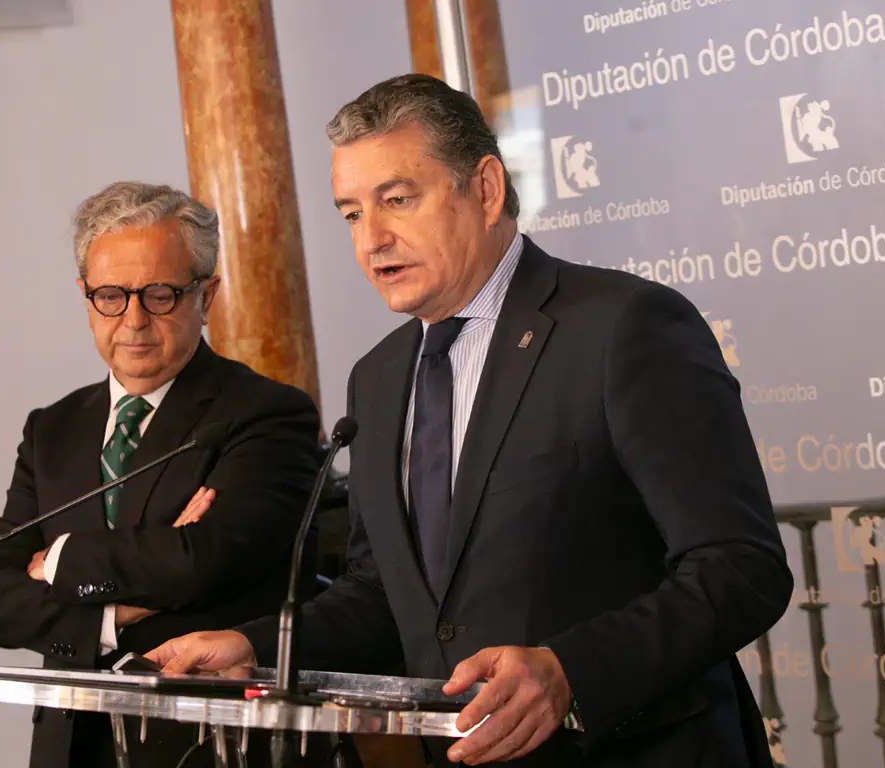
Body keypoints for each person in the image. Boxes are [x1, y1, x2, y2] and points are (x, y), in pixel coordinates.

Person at [147, 74, 794, 767]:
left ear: (485, 189)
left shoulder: (622, 328)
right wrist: (255, 647)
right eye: (352, 215)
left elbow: (741, 566)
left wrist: (571, 672)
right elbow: (384, 596)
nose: (373, 240)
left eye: (398, 200)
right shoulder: (378, 378)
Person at [0, 181, 322, 768]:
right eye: (110, 295)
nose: (133, 320)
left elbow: (203, 560)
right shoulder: (52, 428)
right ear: (85, 297)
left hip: (209, 744)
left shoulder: (266, 413)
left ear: (207, 296)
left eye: (160, 295)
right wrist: (113, 616)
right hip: (71, 746)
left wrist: (56, 561)